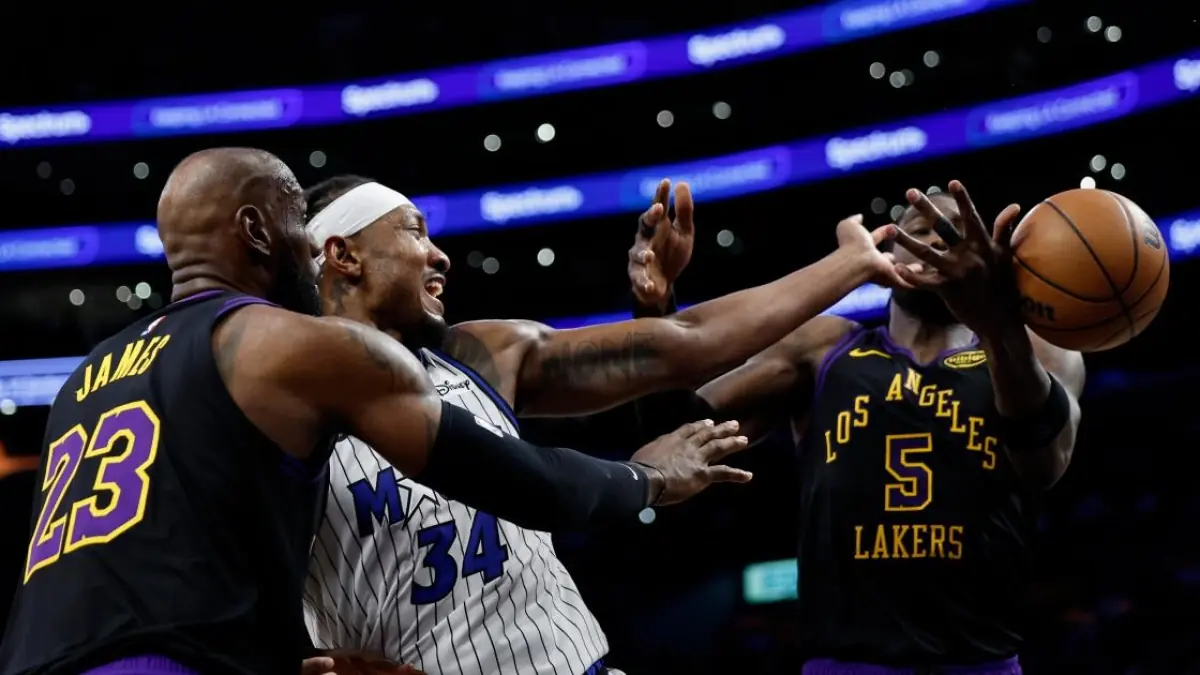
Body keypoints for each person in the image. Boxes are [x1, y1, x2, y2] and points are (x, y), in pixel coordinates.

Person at [0, 148, 753, 675]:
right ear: (264, 233)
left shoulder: (85, 380)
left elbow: (193, 535)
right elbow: (532, 485)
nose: (308, 249)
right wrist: (646, 479)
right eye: (298, 226)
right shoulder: (281, 351)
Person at [300, 175, 916, 675]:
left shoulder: (478, 354)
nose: (440, 254)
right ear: (343, 254)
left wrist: (851, 264)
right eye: (414, 231)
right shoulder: (283, 405)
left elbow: (687, 342)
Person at [635, 182, 1087, 674]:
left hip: (980, 662)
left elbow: (1046, 462)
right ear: (888, 254)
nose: (937, 242)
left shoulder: (1036, 349)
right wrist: (654, 310)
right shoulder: (823, 347)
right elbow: (675, 434)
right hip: (845, 664)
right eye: (920, 231)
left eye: (954, 233)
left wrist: (997, 321)